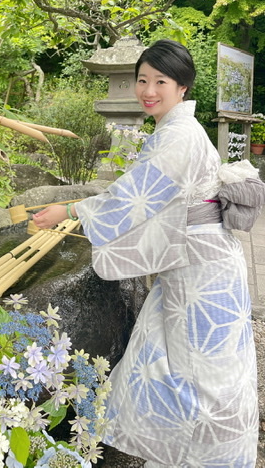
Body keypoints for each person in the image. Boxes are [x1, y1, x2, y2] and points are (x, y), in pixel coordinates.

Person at [33, 39, 264, 467]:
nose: (148, 90)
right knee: (175, 358)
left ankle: (204, 454)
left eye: (161, 81)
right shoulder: (177, 129)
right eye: (142, 80)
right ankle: (176, 450)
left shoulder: (178, 135)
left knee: (202, 373)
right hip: (200, 261)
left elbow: (136, 197)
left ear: (182, 88)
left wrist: (71, 209)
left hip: (203, 269)